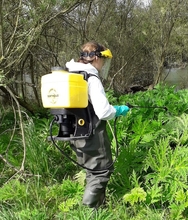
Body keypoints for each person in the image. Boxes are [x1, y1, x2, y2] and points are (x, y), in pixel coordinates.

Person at [65, 41, 130, 208]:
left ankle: (99, 207)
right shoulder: (90, 77)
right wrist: (118, 110)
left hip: (73, 132)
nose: (103, 65)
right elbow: (103, 112)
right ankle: (88, 211)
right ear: (95, 58)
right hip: (90, 133)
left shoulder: (71, 73)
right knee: (101, 172)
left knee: (91, 170)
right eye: (103, 60)